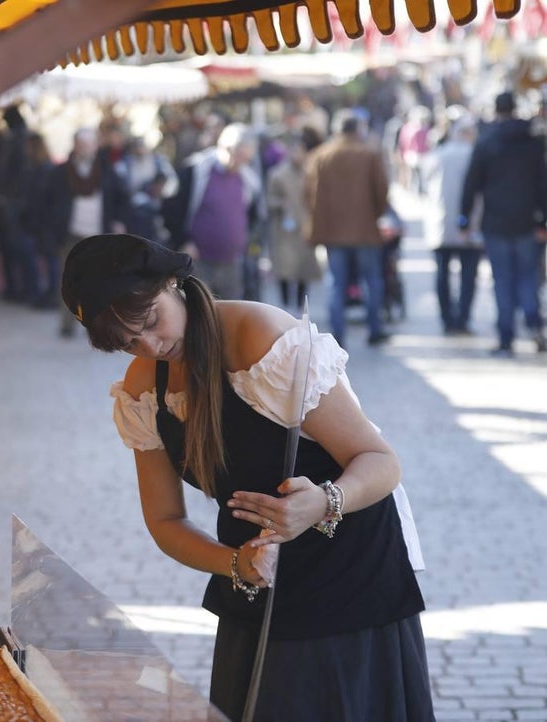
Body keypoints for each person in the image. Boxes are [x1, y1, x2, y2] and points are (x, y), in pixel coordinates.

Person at [60, 233, 433, 722]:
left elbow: (380, 461)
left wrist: (323, 501)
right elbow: (166, 520)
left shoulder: (261, 338)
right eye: (128, 341)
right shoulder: (142, 388)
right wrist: (236, 562)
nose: (151, 345)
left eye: (151, 320)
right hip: (258, 591)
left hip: (350, 580)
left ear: (173, 282)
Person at [460, 90, 547, 356]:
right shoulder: (533, 142)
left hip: (495, 223)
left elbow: (471, 183)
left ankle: (506, 336)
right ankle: (534, 324)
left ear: (496, 110)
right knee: (528, 277)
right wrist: (543, 219)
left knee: (502, 280)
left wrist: (464, 219)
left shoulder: (486, 142)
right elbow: (543, 183)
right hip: (527, 222)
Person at [305, 109, 391, 348]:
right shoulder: (369, 155)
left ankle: (337, 333)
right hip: (365, 230)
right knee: (371, 280)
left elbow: (309, 195)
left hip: (333, 232)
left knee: (336, 283)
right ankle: (374, 328)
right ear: (357, 130)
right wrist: (375, 214)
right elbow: (381, 191)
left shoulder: (320, 156)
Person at [162, 123, 264, 301]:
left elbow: (253, 216)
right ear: (224, 147)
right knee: (200, 311)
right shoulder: (195, 170)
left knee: (230, 314)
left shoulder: (248, 179)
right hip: (198, 260)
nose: (240, 163)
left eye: (245, 159)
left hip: (232, 262)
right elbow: (170, 209)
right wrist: (183, 241)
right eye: (237, 156)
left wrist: (248, 244)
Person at [46, 128, 124, 336]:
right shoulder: (61, 172)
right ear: (75, 146)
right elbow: (46, 201)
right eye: (81, 144)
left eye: (89, 144)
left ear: (95, 146)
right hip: (71, 235)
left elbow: (121, 199)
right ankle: (67, 324)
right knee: (68, 282)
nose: (85, 148)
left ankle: (98, 325)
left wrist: (118, 221)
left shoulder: (107, 170)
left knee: (100, 282)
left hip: (99, 236)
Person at [422, 114, 483, 335]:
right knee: (468, 276)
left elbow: (425, 187)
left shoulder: (436, 155)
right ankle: (463, 318)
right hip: (471, 225)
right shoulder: (475, 155)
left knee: (442, 275)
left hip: (441, 224)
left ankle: (447, 319)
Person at [0, 104, 38, 304]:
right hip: (25, 203)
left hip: (11, 203)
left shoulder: (9, 142)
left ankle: (17, 289)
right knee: (23, 249)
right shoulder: (28, 138)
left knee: (13, 248)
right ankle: (27, 289)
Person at [265, 134, 321, 311]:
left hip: (304, 228)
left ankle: (300, 306)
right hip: (284, 231)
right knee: (284, 270)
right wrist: (281, 204)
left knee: (304, 270)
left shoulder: (310, 173)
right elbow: (268, 201)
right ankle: (285, 306)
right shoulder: (277, 174)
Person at [113, 136, 178, 244]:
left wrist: (161, 193)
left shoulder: (159, 162)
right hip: (131, 215)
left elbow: (173, 183)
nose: (140, 149)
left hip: (155, 216)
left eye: (142, 146)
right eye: (137, 146)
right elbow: (116, 193)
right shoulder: (123, 165)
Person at [20, 132, 59, 308]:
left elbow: (44, 198)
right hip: (40, 222)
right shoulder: (36, 168)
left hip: (46, 223)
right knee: (48, 259)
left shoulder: (45, 170)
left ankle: (54, 295)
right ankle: (49, 293)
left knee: (51, 260)